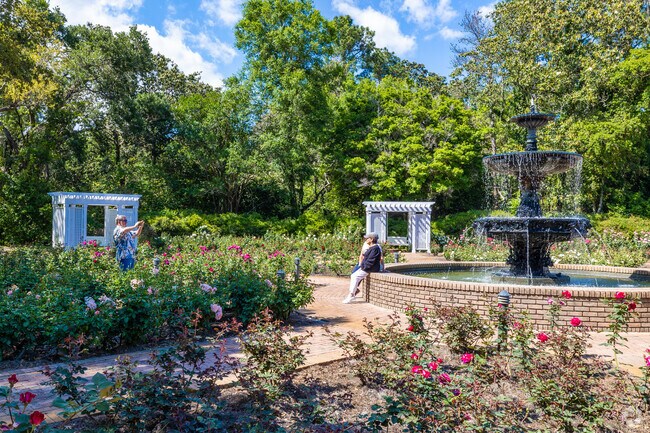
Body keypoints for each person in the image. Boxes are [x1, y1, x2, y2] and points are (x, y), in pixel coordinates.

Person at [344, 232, 383, 304]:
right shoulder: (372, 247)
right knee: (354, 275)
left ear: (371, 239)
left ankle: (352, 295)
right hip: (367, 267)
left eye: (367, 238)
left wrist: (363, 267)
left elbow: (371, 261)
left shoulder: (375, 248)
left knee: (355, 276)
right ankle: (352, 294)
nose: (366, 239)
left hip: (370, 268)